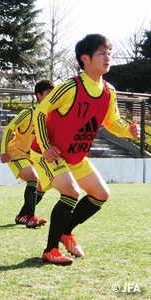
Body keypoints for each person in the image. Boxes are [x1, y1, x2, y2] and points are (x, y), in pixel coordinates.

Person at [31, 34, 140, 265]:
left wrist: (127, 131)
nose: (108, 58)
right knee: (71, 192)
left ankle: (65, 231)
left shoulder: (109, 91)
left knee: (101, 194)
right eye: (102, 53)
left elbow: (112, 122)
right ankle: (50, 250)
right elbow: (40, 112)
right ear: (85, 59)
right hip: (48, 153)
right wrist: (45, 146)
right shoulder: (69, 87)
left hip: (76, 157)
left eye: (109, 53)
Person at [0, 80, 54, 228]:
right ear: (39, 96)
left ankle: (22, 215)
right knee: (34, 178)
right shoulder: (28, 113)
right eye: (48, 93)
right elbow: (8, 129)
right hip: (16, 153)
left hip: (33, 156)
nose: (52, 96)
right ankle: (31, 218)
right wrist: (4, 151)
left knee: (43, 184)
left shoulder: (49, 116)